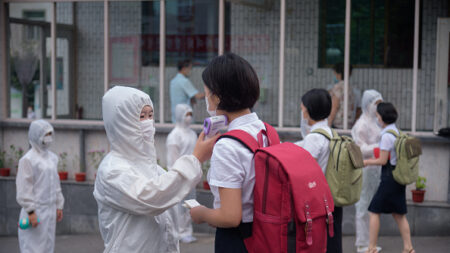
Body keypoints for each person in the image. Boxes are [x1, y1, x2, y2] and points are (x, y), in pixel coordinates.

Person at [93, 86, 218, 253]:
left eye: (150, 116)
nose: (147, 122)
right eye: (141, 116)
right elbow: (153, 198)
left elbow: (168, 198)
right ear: (121, 121)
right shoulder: (112, 170)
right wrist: (196, 159)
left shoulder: (150, 166)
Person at [189, 53, 262, 253]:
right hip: (266, 233)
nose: (207, 100)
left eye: (206, 94)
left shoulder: (227, 145)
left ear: (218, 97)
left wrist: (201, 213)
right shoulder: (265, 130)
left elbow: (230, 217)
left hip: (238, 240)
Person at [363, 102, 415, 253]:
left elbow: (382, 161)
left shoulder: (386, 136)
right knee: (399, 214)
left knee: (374, 210)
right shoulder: (397, 132)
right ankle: (408, 248)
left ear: (381, 118)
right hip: (399, 177)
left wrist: (366, 162)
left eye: (378, 115)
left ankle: (371, 247)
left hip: (389, 178)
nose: (377, 118)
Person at [295, 89, 343, 253]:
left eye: (302, 109)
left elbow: (304, 169)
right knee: (333, 240)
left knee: (322, 244)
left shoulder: (314, 137)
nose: (302, 113)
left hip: (319, 202)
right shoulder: (330, 132)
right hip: (332, 196)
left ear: (307, 111)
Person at [16, 119, 64, 253]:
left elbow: (56, 183)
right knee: (32, 247)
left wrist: (59, 205)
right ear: (36, 135)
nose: (48, 138)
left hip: (50, 210)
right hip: (36, 211)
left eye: (50, 134)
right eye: (45, 134)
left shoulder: (52, 158)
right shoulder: (28, 160)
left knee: (48, 247)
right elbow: (24, 188)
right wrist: (31, 211)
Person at [351, 90, 383, 253]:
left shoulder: (377, 122)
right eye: (375, 104)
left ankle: (370, 242)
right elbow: (359, 148)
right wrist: (378, 148)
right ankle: (362, 243)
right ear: (367, 104)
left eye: (379, 104)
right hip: (365, 168)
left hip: (376, 169)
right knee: (363, 205)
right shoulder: (361, 124)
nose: (377, 107)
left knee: (372, 206)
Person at [166, 103, 198, 243]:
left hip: (191, 176)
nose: (189, 118)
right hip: (180, 176)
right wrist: (179, 175)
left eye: (190, 114)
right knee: (178, 206)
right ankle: (178, 232)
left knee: (190, 204)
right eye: (186, 115)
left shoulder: (192, 133)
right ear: (180, 116)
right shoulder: (174, 136)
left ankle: (187, 230)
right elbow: (173, 160)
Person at [328, 62, 358, 129]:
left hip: (338, 123)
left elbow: (334, 107)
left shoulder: (338, 87)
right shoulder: (350, 87)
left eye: (335, 72)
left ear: (339, 73)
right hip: (349, 123)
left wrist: (328, 124)